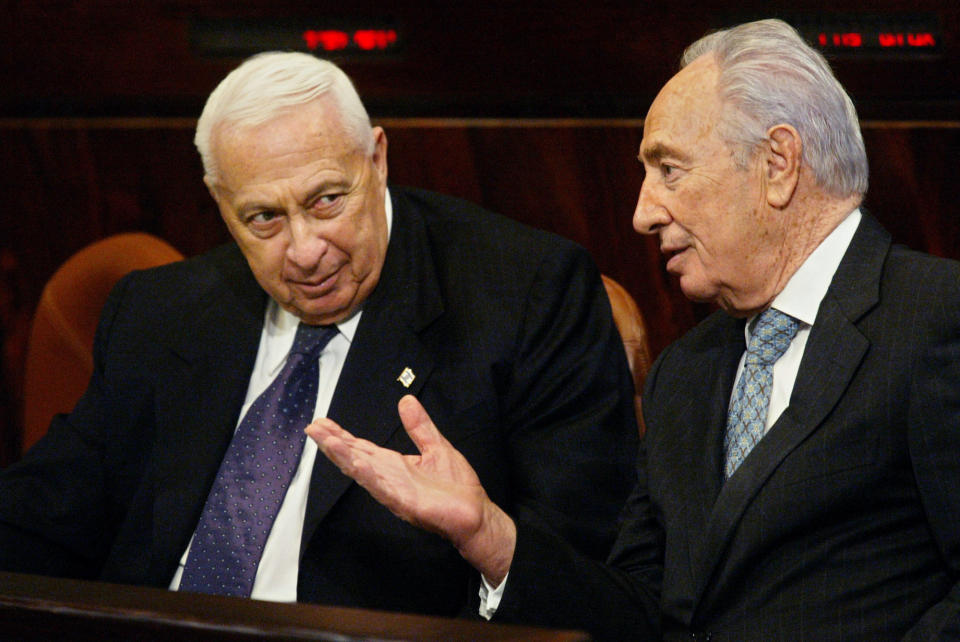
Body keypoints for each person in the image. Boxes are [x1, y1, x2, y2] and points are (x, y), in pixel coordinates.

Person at [307, 19, 960, 640]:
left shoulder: (938, 319)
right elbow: (638, 613)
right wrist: (489, 536)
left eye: (669, 170)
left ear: (779, 163)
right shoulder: (686, 372)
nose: (643, 214)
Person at [0, 52, 639, 618]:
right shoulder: (160, 311)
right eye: (263, 218)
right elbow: (48, 512)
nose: (304, 251)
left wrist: (489, 538)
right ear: (219, 202)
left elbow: (602, 593)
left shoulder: (524, 297)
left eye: (327, 200)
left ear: (378, 159)